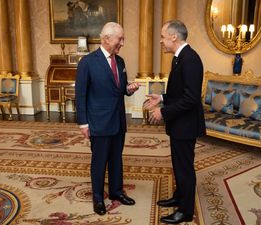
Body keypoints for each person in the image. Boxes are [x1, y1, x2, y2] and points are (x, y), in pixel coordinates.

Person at [143, 20, 206, 224]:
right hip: (180, 124)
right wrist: (161, 98)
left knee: (185, 167)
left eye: (162, 37)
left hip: (186, 125)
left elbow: (190, 99)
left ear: (174, 37)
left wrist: (164, 112)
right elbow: (179, 92)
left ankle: (185, 211)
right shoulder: (179, 58)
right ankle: (180, 197)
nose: (161, 41)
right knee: (178, 165)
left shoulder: (190, 60)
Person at [75, 22, 140, 216]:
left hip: (118, 121)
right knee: (99, 161)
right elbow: (81, 95)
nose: (122, 43)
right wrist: (83, 123)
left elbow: (118, 90)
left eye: (123, 38)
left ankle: (116, 192)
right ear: (106, 39)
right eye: (119, 39)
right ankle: (97, 197)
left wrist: (128, 89)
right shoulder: (87, 62)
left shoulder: (120, 61)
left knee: (116, 159)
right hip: (99, 122)